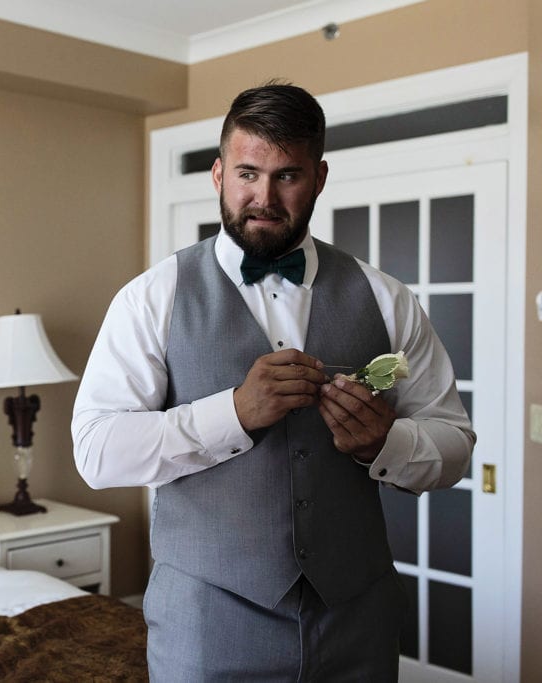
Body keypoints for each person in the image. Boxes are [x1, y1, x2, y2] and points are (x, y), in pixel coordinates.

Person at [71, 82, 474, 681]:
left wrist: (384, 443)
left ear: (319, 178)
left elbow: (455, 446)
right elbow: (96, 451)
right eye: (247, 173)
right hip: (205, 627)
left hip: (357, 622)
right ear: (217, 174)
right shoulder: (151, 298)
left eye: (287, 175)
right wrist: (231, 413)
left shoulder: (387, 299)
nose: (263, 197)